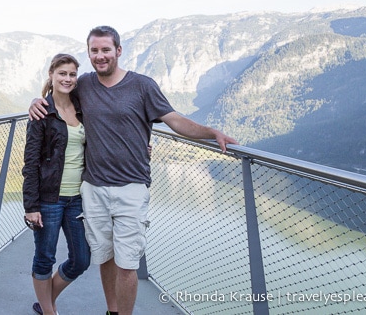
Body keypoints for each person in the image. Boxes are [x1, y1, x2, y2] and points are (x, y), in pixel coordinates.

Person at [29, 26, 237, 315]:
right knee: (104, 257)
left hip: (131, 188)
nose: (100, 56)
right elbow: (59, 93)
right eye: (94, 51)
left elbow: (175, 120)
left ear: (118, 51)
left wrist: (211, 132)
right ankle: (110, 310)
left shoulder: (142, 86)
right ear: (89, 53)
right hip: (93, 188)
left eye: (105, 50)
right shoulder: (85, 84)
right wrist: (37, 101)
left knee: (127, 264)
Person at [23, 53, 91, 315]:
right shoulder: (42, 112)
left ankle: (45, 301)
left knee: (81, 260)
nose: (67, 78)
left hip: (77, 198)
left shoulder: (83, 108)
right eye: (62, 73)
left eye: (72, 74)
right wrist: (31, 205)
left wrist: (140, 146)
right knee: (45, 257)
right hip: (49, 199)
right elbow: (30, 164)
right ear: (51, 75)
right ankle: (49, 311)